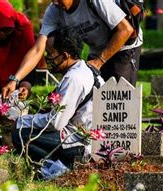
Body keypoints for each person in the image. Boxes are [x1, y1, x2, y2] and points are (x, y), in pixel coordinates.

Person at [3, 0, 142, 99]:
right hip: (97, 51)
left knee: (118, 101)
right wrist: (15, 80)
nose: (55, 3)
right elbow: (38, 49)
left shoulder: (94, 1)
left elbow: (125, 30)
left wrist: (99, 62)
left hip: (123, 48)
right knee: (91, 99)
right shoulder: (54, 11)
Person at [12, 27, 104, 169]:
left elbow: (56, 122)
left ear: (65, 55)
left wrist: (22, 120)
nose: (47, 58)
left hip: (79, 142)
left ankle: (56, 168)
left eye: (50, 53)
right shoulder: (84, 69)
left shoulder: (73, 79)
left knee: (20, 133)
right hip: (82, 134)